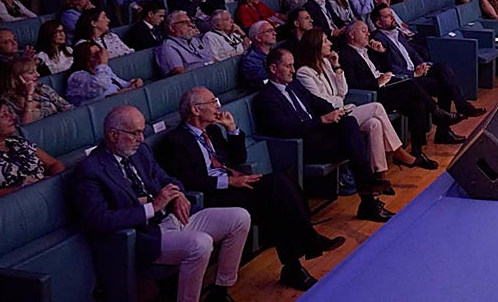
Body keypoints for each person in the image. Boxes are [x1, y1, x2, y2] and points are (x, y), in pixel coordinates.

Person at [156, 87, 344, 291]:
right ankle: (300, 256)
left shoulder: (213, 131)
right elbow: (189, 180)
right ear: (195, 109)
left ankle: (295, 263)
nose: (217, 106)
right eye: (212, 102)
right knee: (277, 196)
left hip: (235, 184)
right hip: (213, 195)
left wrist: (232, 129)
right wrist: (229, 182)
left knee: (282, 182)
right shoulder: (175, 141)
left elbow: (238, 159)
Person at [73, 105, 250, 302]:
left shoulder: (141, 152)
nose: (141, 139)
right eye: (135, 133)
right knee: (200, 244)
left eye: (142, 132)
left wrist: (178, 195)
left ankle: (220, 291)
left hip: (175, 218)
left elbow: (167, 178)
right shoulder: (90, 170)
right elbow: (99, 220)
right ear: (114, 135)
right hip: (145, 235)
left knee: (239, 217)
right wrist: (153, 207)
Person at [252, 48, 394, 223]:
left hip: (320, 135)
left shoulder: (294, 85)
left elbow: (316, 102)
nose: (293, 70)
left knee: (349, 124)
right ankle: (368, 194)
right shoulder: (266, 98)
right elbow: (286, 129)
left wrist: (335, 113)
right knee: (355, 144)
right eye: (288, 66)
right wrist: (321, 121)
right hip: (303, 146)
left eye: (293, 65)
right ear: (273, 68)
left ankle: (368, 198)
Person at [296, 29, 437, 176]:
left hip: (343, 109)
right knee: (376, 107)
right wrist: (338, 98)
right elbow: (321, 101)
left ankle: (378, 173)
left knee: (374, 124)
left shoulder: (326, 62)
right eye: (325, 41)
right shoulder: (304, 72)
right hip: (331, 117)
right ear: (315, 45)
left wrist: (337, 66)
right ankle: (399, 152)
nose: (330, 43)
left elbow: (343, 91)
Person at [338, 20, 465, 158]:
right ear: (351, 34)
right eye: (364, 31)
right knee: (411, 84)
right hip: (375, 95)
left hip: (389, 86)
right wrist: (376, 82)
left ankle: (417, 152)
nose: (368, 33)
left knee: (419, 104)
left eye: (368, 30)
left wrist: (382, 52)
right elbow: (353, 84)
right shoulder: (346, 55)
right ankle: (437, 113)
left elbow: (387, 69)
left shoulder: (370, 50)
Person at [371, 5, 486, 118]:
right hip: (407, 79)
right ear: (379, 23)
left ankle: (462, 105)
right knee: (444, 87)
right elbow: (389, 66)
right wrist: (414, 73)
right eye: (387, 16)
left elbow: (412, 52)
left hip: (417, 70)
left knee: (443, 67)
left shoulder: (397, 33)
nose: (392, 18)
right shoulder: (377, 39)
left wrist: (422, 64)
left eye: (392, 15)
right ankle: (445, 130)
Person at [0, 99, 64, 201]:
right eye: (4, 115)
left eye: (9, 113)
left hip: (48, 191)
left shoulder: (18, 142)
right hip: (17, 204)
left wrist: (55, 181)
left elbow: (53, 163)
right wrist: (24, 190)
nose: (12, 117)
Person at [65, 42, 143, 106]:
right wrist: (103, 64)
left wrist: (133, 83)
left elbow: (120, 84)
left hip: (119, 103)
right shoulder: (77, 77)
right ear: (85, 60)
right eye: (95, 55)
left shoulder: (101, 69)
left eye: (100, 54)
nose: (100, 57)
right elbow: (101, 86)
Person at [0, 57, 72, 124]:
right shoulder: (9, 104)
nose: (38, 74)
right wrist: (29, 96)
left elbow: (67, 107)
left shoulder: (43, 88)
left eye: (36, 71)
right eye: (31, 72)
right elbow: (26, 129)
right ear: (16, 79)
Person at [156, 11, 212, 76]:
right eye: (184, 22)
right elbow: (180, 73)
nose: (191, 25)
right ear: (172, 28)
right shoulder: (167, 47)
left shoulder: (194, 40)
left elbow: (212, 58)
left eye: (190, 22)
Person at [238, 20, 277, 89]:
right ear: (258, 38)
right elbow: (262, 81)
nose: (274, 33)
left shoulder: (275, 52)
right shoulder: (249, 60)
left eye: (273, 30)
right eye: (269, 31)